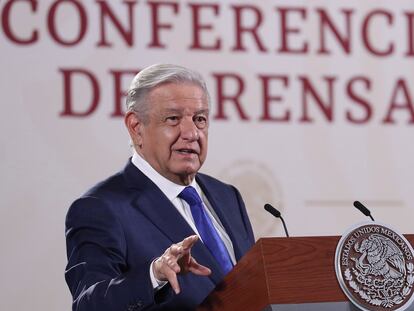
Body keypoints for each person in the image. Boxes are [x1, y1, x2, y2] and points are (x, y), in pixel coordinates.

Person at [65, 64, 255, 311]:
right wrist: (154, 275)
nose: (191, 133)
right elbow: (87, 305)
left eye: (199, 119)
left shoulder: (227, 196)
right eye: (173, 119)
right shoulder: (100, 207)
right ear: (136, 127)